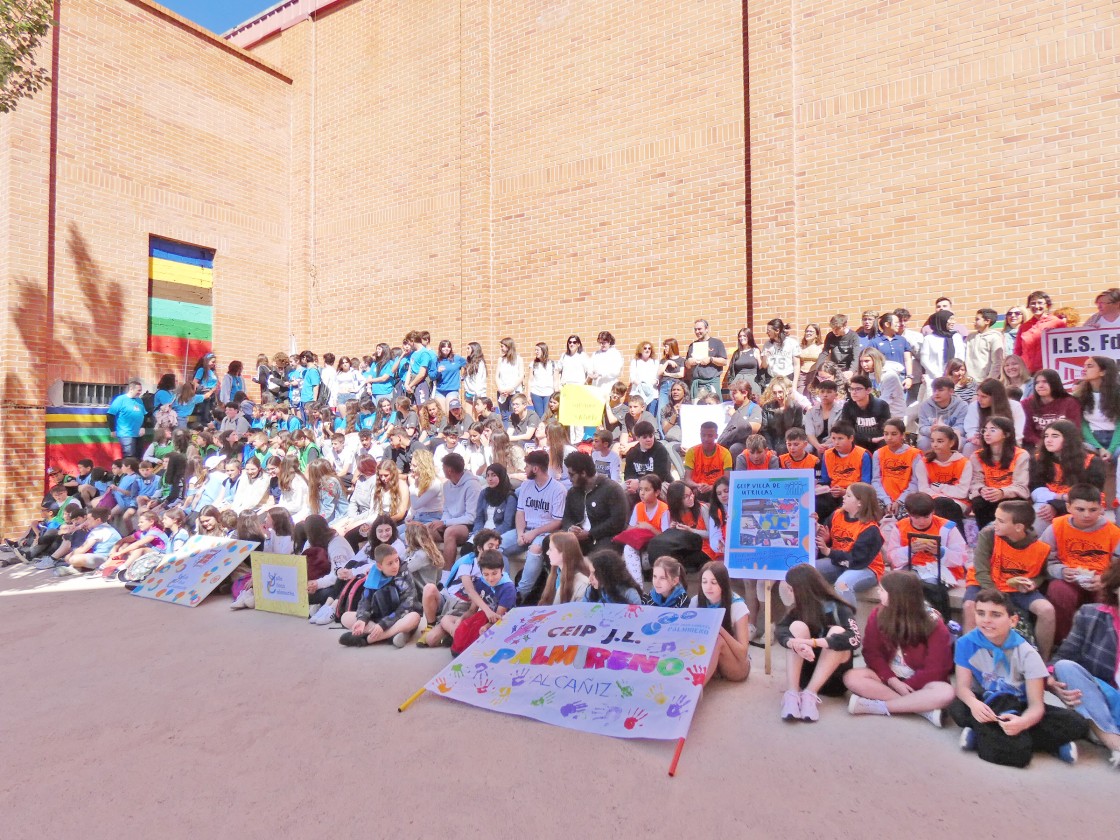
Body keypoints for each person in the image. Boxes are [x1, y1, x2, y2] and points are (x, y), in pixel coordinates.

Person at [951, 588, 1087, 767]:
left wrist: (1023, 723)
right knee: (958, 707)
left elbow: (1036, 705)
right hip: (987, 703)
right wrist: (974, 704)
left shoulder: (1027, 653)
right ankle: (1049, 743)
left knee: (1077, 724)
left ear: (1013, 621)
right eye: (980, 613)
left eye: (996, 614)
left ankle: (981, 733)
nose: (986, 620)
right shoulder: (965, 643)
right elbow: (962, 688)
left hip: (1019, 705)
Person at [844, 571, 955, 724]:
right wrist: (892, 681)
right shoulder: (878, 614)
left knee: (946, 693)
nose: (878, 591)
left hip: (922, 684)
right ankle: (922, 709)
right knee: (852, 677)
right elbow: (871, 653)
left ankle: (877, 707)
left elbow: (937, 668)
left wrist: (909, 685)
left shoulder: (933, 622)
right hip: (888, 680)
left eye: (882, 590)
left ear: (897, 595)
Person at [1047, 559, 1120, 769]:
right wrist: (1053, 684)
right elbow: (1060, 659)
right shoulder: (1091, 614)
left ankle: (1096, 729)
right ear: (1115, 589)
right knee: (1065, 668)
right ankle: (1112, 741)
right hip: (1101, 694)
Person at [963, 499, 1056, 659]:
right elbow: (981, 570)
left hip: (1016, 588)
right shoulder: (989, 535)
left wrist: (1033, 583)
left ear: (1018, 527)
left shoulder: (1040, 546)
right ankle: (969, 657)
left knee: (1047, 610)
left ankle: (1043, 660)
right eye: (995, 518)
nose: (994, 523)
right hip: (985, 584)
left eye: (1000, 520)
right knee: (970, 606)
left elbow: (1041, 574)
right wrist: (996, 596)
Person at [775, 564, 861, 721]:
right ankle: (792, 694)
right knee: (796, 627)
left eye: (791, 588)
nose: (790, 593)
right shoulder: (799, 610)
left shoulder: (838, 608)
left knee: (837, 632)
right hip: (804, 676)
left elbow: (854, 638)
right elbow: (781, 629)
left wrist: (814, 642)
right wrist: (794, 643)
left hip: (833, 680)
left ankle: (810, 695)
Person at [1039, 484, 1120, 645]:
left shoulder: (1114, 532)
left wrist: (1105, 579)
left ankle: (1101, 644)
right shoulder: (1056, 527)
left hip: (1101, 580)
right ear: (1069, 507)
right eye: (1080, 509)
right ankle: (1063, 641)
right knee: (1059, 590)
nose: (1087, 515)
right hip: (1069, 579)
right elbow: (1043, 561)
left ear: (1101, 508)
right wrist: (1061, 571)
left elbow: (1117, 567)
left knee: (1108, 597)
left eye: (1093, 510)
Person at [505, 449, 567, 602]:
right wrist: (520, 533)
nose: (524, 470)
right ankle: (504, 588)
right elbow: (520, 513)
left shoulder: (558, 489)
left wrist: (533, 534)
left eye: (527, 466)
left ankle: (519, 595)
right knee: (495, 545)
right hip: (524, 530)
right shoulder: (526, 485)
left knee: (536, 548)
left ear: (535, 469)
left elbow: (557, 522)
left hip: (545, 532)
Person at [337, 544, 422, 648]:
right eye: (390, 563)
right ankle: (392, 635)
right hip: (378, 617)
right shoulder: (373, 575)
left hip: (400, 617)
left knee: (414, 617)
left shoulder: (404, 573)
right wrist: (362, 619)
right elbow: (365, 601)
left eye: (396, 560)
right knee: (345, 617)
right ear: (379, 566)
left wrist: (383, 624)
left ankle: (367, 639)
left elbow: (407, 604)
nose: (395, 565)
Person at [815, 482, 885, 606]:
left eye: (848, 495)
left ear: (860, 502)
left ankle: (848, 622)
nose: (843, 497)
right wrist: (823, 536)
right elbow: (831, 542)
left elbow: (857, 561)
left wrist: (829, 552)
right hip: (839, 562)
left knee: (842, 584)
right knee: (808, 571)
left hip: (866, 568)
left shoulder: (870, 529)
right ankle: (823, 616)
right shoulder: (837, 515)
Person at [884, 491, 967, 585]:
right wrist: (910, 550)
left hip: (940, 570)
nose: (922, 522)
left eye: (926, 517)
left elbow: (961, 558)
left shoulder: (947, 527)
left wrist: (940, 552)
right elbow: (892, 558)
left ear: (933, 512)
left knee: (929, 585)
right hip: (911, 568)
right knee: (900, 582)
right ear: (909, 513)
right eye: (916, 517)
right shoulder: (900, 527)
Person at [1029, 421, 1105, 523]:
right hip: (1046, 503)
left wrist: (1057, 507)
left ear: (1068, 439)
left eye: (1055, 436)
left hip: (1082, 506)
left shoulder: (1091, 462)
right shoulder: (1038, 459)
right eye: (1046, 436)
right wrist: (1055, 501)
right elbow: (1036, 489)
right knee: (1039, 515)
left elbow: (1091, 493)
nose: (1048, 440)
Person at [689, 560, 750, 682]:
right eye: (704, 582)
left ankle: (697, 688)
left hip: (736, 664)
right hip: (708, 658)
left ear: (723, 584)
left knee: (717, 639)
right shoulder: (696, 601)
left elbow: (742, 653)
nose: (708, 587)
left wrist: (719, 629)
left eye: (714, 582)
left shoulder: (737, 606)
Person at [559, 451, 628, 556]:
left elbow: (617, 521)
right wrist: (570, 529)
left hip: (605, 537)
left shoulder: (612, 489)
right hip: (579, 537)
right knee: (551, 543)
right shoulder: (573, 492)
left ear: (583, 473)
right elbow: (567, 517)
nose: (569, 478)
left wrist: (590, 534)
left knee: (598, 558)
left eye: (572, 475)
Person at [968, 416, 1029, 530]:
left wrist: (1002, 492)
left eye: (993, 430)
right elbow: (976, 482)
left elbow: (1021, 486)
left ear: (1006, 434)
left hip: (1011, 496)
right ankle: (986, 536)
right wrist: (982, 489)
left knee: (1010, 505)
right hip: (988, 495)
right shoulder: (976, 456)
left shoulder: (1020, 455)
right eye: (984, 430)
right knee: (979, 502)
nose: (987, 433)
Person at [428, 452, 480, 568]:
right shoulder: (446, 485)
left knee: (450, 532)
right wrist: (443, 523)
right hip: (449, 523)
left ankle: (447, 575)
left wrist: (445, 523)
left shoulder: (472, 485)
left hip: (467, 527)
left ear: (449, 470)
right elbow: (446, 509)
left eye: (443, 468)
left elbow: (471, 517)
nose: (442, 470)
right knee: (425, 530)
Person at [615, 474, 669, 583]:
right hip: (639, 544)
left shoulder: (664, 510)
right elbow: (630, 528)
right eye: (640, 489)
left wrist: (649, 528)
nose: (642, 493)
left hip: (656, 547)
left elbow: (667, 538)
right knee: (627, 550)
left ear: (657, 492)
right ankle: (638, 585)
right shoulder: (638, 506)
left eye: (647, 490)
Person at [816, 422, 872, 520]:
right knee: (816, 504)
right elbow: (825, 480)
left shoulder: (863, 454)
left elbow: (866, 484)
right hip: (833, 493)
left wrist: (845, 492)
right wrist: (826, 489)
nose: (836, 442)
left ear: (851, 438)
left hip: (855, 494)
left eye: (840, 438)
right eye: (833, 438)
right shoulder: (827, 454)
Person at [871, 418, 927, 515]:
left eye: (894, 434)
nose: (889, 438)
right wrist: (886, 500)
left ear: (902, 435)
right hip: (883, 498)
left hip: (907, 498)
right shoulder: (878, 453)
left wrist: (900, 501)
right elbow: (876, 480)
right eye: (886, 434)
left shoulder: (915, 454)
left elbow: (915, 482)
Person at [1021, 369, 1082, 449]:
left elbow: (1074, 429)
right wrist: (1043, 444)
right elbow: (1027, 432)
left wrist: (1058, 445)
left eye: (1045, 382)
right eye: (1037, 383)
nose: (1040, 385)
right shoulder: (1026, 403)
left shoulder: (1070, 402)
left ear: (1054, 383)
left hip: (1065, 445)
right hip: (1037, 446)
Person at [962, 378, 1025, 455]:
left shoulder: (1014, 406)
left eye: (984, 396)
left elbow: (1018, 433)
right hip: (982, 442)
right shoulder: (974, 406)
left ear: (996, 397)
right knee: (969, 447)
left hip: (1008, 444)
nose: (979, 399)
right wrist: (975, 438)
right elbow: (971, 428)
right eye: (978, 395)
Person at [1075, 356, 1120, 462]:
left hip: (1116, 439)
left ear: (1103, 372)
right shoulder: (1078, 395)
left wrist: (1111, 449)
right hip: (1092, 439)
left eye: (1089, 366)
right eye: (1084, 366)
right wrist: (1099, 448)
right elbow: (1083, 424)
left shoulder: (1117, 394)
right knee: (1079, 451)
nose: (1084, 369)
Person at [54, 508, 122, 576]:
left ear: (98, 520)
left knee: (73, 559)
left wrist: (67, 558)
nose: (86, 522)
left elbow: (83, 549)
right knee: (72, 558)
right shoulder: (106, 527)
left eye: (89, 519)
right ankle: (76, 568)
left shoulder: (98, 531)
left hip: (105, 558)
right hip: (104, 557)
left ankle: (78, 568)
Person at [538, 532, 592, 605]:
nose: (547, 553)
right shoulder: (555, 574)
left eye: (551, 549)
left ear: (564, 553)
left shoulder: (582, 583)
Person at [1014, 291, 1062, 373]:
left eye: (1040, 303)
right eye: (1033, 303)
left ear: (1047, 305)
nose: (1036, 306)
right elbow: (1017, 351)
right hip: (1027, 372)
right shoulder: (1024, 326)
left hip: (1049, 371)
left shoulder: (1057, 323)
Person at [839, 375, 890, 452]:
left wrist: (876, 439)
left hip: (879, 442)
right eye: (851, 389)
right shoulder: (848, 406)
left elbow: (885, 428)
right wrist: (869, 439)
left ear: (868, 390)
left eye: (858, 389)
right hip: (857, 442)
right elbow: (847, 430)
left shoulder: (882, 405)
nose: (853, 392)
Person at [622, 421, 672, 500]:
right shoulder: (632, 452)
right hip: (638, 483)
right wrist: (631, 484)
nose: (649, 440)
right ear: (637, 438)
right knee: (621, 490)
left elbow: (660, 475)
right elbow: (628, 474)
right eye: (645, 437)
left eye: (651, 436)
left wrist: (639, 483)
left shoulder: (660, 450)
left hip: (660, 483)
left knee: (655, 491)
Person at [717, 376, 763, 461]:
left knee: (735, 448)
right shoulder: (729, 406)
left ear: (745, 393)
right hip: (726, 441)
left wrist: (735, 415)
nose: (732, 396)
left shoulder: (754, 408)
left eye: (734, 393)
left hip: (745, 443)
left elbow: (753, 429)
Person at [683, 420, 731, 501]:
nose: (706, 439)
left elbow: (727, 480)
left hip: (718, 491)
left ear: (716, 436)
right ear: (700, 435)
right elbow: (687, 479)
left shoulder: (725, 453)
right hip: (697, 490)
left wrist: (711, 487)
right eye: (703, 435)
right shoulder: (692, 452)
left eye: (710, 436)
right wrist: (698, 485)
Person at [916, 376, 968, 450]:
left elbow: (962, 428)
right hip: (933, 437)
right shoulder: (924, 406)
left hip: (953, 436)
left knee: (964, 443)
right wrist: (931, 429)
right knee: (923, 442)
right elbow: (922, 427)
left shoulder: (962, 405)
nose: (936, 393)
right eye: (934, 390)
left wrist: (945, 429)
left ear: (951, 391)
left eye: (940, 390)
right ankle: (928, 461)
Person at [919, 311, 965, 394]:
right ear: (942, 320)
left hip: (954, 379)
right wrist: (938, 376)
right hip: (934, 379)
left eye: (954, 319)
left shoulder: (956, 337)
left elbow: (961, 357)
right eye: (950, 319)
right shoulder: (929, 339)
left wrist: (954, 373)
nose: (953, 322)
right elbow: (924, 360)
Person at [759, 376, 805, 455]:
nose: (777, 395)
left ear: (787, 390)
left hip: (791, 440)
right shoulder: (767, 407)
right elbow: (765, 430)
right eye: (774, 392)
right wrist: (769, 447)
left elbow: (799, 429)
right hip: (772, 440)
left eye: (780, 392)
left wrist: (789, 443)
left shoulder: (796, 407)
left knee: (782, 448)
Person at [471, 463, 517, 541]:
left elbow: (507, 524)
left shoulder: (509, 497)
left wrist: (488, 536)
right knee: (466, 549)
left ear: (501, 476)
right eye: (488, 475)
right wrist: (477, 533)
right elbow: (479, 518)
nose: (490, 479)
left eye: (494, 475)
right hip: (482, 533)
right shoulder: (484, 493)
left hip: (498, 534)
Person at [684, 319, 728, 399]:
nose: (697, 332)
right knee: (698, 409)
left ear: (707, 329)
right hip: (697, 383)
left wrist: (711, 359)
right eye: (695, 329)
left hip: (711, 382)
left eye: (699, 329)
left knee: (713, 408)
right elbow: (687, 366)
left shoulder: (717, 343)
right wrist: (689, 362)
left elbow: (724, 362)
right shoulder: (692, 345)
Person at [106, 378, 147, 458]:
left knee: (139, 456)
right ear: (131, 389)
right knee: (129, 456)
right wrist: (113, 430)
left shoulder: (139, 400)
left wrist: (142, 427)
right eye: (138, 390)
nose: (140, 392)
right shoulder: (120, 400)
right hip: (126, 433)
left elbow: (144, 414)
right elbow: (110, 415)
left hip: (138, 433)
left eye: (141, 390)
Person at [965, 308, 1005, 383]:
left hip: (984, 382)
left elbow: (997, 362)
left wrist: (988, 381)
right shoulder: (970, 337)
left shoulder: (995, 338)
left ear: (987, 321)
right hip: (969, 381)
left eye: (977, 319)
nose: (974, 322)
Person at [804, 379, 843, 454]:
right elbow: (809, 433)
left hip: (833, 441)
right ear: (818, 394)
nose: (825, 395)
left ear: (836, 395)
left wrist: (824, 445)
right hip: (815, 442)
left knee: (829, 449)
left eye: (829, 392)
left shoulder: (841, 411)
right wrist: (818, 446)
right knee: (806, 448)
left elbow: (838, 433)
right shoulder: (810, 412)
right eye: (822, 392)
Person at [760, 319, 800, 385]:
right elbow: (764, 366)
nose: (767, 332)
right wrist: (765, 356)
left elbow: (797, 365)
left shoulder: (792, 343)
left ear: (777, 331)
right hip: (772, 379)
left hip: (787, 379)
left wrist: (795, 384)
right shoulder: (767, 344)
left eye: (769, 330)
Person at [820, 314, 860, 379]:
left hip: (849, 368)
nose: (834, 331)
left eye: (838, 329)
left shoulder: (853, 336)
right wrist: (819, 368)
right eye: (833, 328)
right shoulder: (830, 336)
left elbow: (856, 355)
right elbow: (824, 352)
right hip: (835, 369)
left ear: (845, 326)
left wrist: (851, 371)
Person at [587, 331, 623, 399]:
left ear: (609, 341)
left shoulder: (615, 353)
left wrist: (600, 374)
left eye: (604, 343)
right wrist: (590, 374)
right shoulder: (595, 354)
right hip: (597, 388)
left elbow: (616, 372)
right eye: (600, 343)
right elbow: (590, 368)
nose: (601, 345)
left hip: (609, 387)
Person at [495, 337, 524, 421]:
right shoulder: (500, 360)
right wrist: (500, 389)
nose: (501, 348)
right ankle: (506, 433)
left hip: (514, 391)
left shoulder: (518, 359)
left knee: (515, 416)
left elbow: (521, 376)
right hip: (502, 392)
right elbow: (497, 376)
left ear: (508, 347)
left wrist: (512, 388)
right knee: (504, 417)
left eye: (502, 346)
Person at [727, 328, 762, 396]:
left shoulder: (755, 350)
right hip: (738, 381)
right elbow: (731, 370)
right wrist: (731, 383)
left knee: (753, 401)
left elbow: (761, 367)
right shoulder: (736, 353)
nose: (741, 338)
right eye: (740, 336)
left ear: (749, 337)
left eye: (744, 336)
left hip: (752, 380)